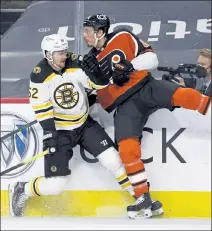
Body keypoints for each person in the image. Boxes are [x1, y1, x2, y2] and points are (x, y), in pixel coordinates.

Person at [80, 14, 211, 219]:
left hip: (147, 87)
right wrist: (94, 87)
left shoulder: (123, 36)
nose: (84, 35)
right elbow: (94, 94)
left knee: (187, 96)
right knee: (127, 150)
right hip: (124, 106)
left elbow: (152, 59)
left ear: (100, 32)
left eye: (88, 31)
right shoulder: (89, 62)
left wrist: (131, 66)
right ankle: (143, 198)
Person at [8, 34, 139, 217]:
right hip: (60, 131)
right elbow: (42, 108)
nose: (64, 56)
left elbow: (99, 85)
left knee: (113, 160)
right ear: (47, 54)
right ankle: (22, 189)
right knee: (55, 185)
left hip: (84, 125)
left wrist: (96, 73)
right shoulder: (39, 75)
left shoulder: (75, 63)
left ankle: (139, 198)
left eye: (64, 51)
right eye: (58, 53)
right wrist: (50, 134)